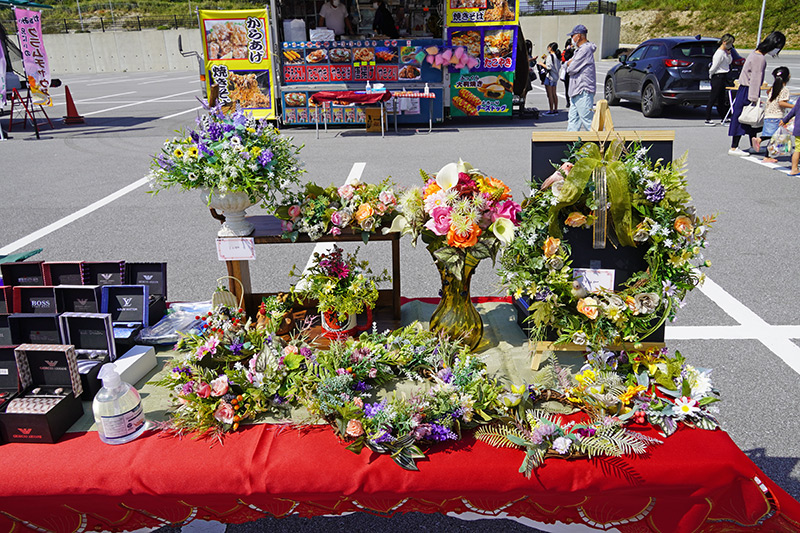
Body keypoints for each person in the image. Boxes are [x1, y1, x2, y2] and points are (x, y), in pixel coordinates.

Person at [728, 31, 786, 156]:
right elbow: (755, 78)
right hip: (749, 90)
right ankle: (734, 147)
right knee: (745, 117)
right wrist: (754, 98)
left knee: (750, 120)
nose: (777, 51)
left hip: (744, 88)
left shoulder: (755, 54)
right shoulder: (760, 59)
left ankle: (752, 145)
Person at [565, 24, 597, 131]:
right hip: (576, 91)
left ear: (578, 36)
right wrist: (568, 64)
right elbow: (566, 64)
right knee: (573, 120)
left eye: (572, 36)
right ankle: (571, 145)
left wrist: (569, 64)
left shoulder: (585, 50)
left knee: (588, 120)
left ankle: (601, 144)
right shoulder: (579, 50)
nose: (571, 39)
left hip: (583, 90)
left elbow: (571, 68)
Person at [760, 66, 793, 163]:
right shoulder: (784, 89)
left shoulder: (772, 88)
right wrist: (794, 107)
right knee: (774, 137)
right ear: (788, 77)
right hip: (777, 116)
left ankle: (765, 150)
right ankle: (764, 149)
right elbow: (781, 103)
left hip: (768, 115)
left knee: (772, 136)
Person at [705, 33, 735, 126]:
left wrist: (729, 54)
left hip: (724, 75)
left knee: (722, 98)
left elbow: (729, 62)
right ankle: (707, 118)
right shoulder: (719, 53)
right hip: (717, 76)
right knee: (713, 98)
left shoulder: (725, 52)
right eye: (730, 43)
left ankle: (723, 117)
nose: (731, 45)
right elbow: (714, 66)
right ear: (724, 42)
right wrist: (711, 74)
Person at [537, 42, 561, 115]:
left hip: (550, 77)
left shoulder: (551, 56)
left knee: (549, 95)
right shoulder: (556, 56)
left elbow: (549, 67)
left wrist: (541, 64)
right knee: (554, 94)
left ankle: (551, 110)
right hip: (555, 77)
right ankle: (555, 109)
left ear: (550, 48)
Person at [779, 97, 800, 175]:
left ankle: (794, 169)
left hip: (798, 128)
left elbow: (793, 111)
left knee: (798, 149)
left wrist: (784, 120)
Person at [562, 39, 574, 108]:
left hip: (573, 72)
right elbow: (563, 59)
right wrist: (568, 50)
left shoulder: (576, 51)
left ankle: (572, 101)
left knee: (573, 88)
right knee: (567, 88)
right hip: (567, 72)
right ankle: (568, 101)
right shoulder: (565, 51)